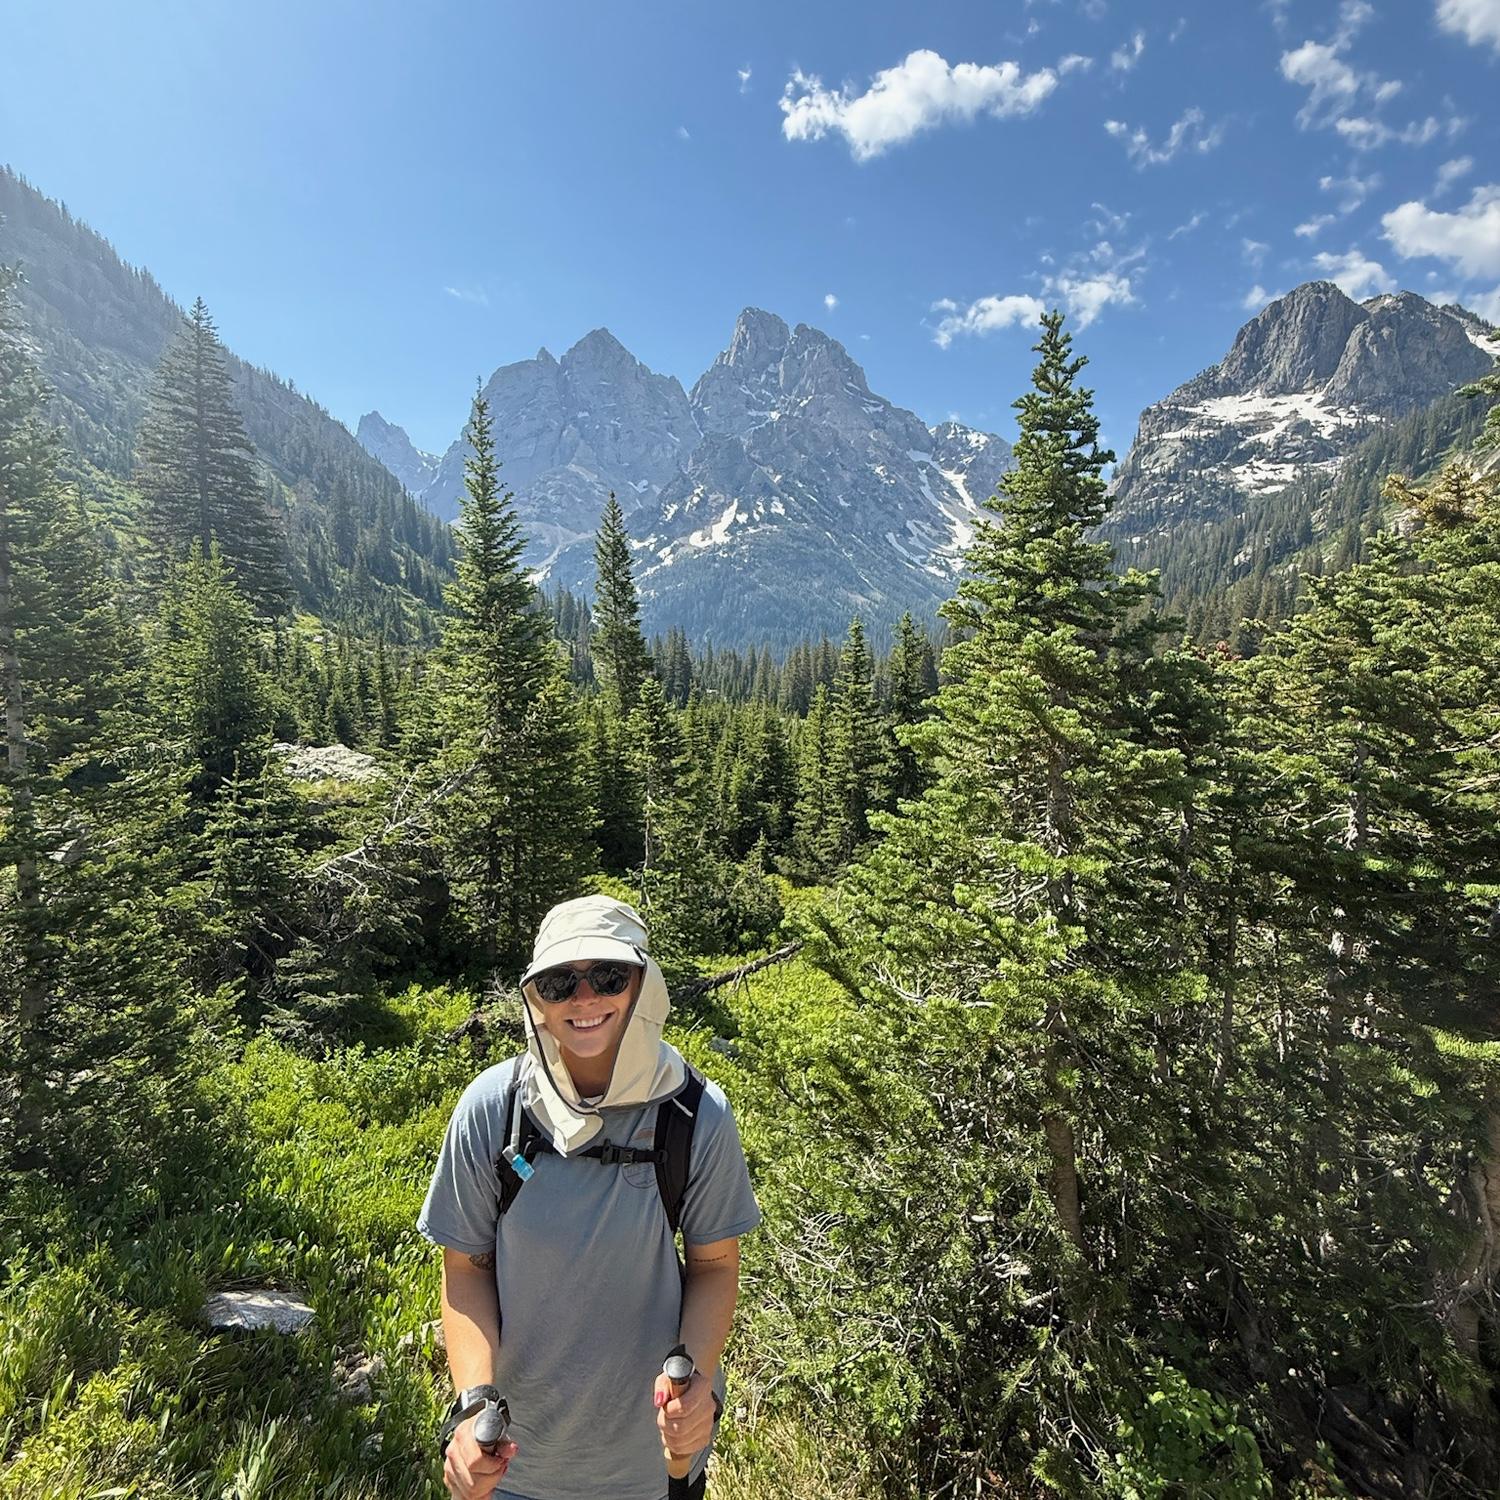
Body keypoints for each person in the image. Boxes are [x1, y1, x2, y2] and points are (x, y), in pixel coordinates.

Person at [418, 894, 761, 1500]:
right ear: (537, 1000)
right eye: (559, 982)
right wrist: (472, 1410)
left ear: (643, 985)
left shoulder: (695, 1115)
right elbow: (465, 1271)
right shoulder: (493, 1109)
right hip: (513, 1469)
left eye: (608, 975)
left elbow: (714, 1267)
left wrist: (699, 1383)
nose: (583, 998)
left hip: (655, 1470)